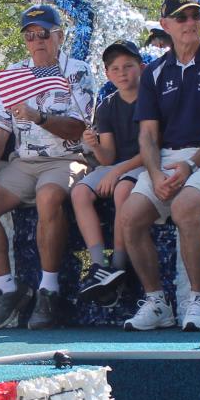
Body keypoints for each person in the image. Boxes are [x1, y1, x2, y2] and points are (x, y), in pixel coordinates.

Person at [116, 0, 200, 333]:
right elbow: (147, 135)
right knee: (129, 216)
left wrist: (190, 165)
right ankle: (157, 303)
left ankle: (198, 302)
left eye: (194, 16)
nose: (190, 22)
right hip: (166, 159)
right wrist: (154, 172)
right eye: (181, 17)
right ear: (165, 25)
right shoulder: (155, 72)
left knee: (184, 209)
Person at [0, 3, 97, 330]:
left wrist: (39, 116)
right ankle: (8, 290)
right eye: (30, 36)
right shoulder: (14, 73)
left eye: (44, 34)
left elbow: (79, 128)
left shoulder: (77, 71)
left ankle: (48, 290)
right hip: (24, 163)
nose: (37, 41)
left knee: (48, 197)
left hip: (66, 159)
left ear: (59, 36)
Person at [75, 40, 147, 306]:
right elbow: (108, 155)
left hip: (143, 165)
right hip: (115, 165)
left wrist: (116, 170)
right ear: (107, 74)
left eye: (128, 66)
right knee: (80, 191)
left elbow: (152, 150)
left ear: (141, 67)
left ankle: (118, 264)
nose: (122, 73)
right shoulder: (106, 106)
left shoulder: (152, 101)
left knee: (122, 190)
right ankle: (98, 263)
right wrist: (94, 146)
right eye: (114, 68)